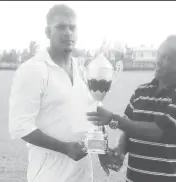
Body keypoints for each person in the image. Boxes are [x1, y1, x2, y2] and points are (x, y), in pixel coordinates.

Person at [9, 4, 112, 182]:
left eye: (72, 27)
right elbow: (19, 125)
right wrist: (65, 148)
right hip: (49, 175)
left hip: (83, 175)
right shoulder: (33, 70)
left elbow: (92, 114)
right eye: (61, 27)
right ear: (48, 32)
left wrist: (102, 150)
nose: (68, 33)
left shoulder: (83, 69)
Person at [87, 35, 176, 182]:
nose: (159, 61)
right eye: (159, 55)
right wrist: (121, 149)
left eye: (167, 58)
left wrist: (114, 119)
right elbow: (129, 127)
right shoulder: (140, 92)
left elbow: (157, 131)